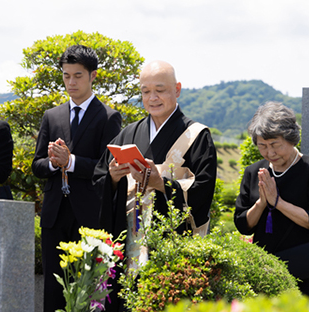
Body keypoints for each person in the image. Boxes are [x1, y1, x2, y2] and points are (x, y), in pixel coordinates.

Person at [93, 60, 217, 310]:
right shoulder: (128, 134)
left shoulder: (197, 136)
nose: (152, 98)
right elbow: (99, 178)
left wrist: (162, 184)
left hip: (172, 247)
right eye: (146, 91)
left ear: (177, 89)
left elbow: (203, 190)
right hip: (129, 242)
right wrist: (113, 178)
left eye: (160, 89)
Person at [32, 44, 122, 312]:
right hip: (53, 215)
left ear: (93, 76)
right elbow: (37, 166)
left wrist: (70, 161)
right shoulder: (52, 115)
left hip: (90, 218)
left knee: (88, 290)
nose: (71, 82)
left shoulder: (108, 117)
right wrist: (52, 162)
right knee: (52, 288)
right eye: (66, 75)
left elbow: (106, 168)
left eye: (78, 75)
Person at [233, 101, 309, 300]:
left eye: (275, 145)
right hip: (266, 268)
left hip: (307, 267)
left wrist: (277, 202)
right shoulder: (254, 172)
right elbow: (243, 225)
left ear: (291, 139)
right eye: (262, 146)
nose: (269, 153)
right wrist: (262, 203)